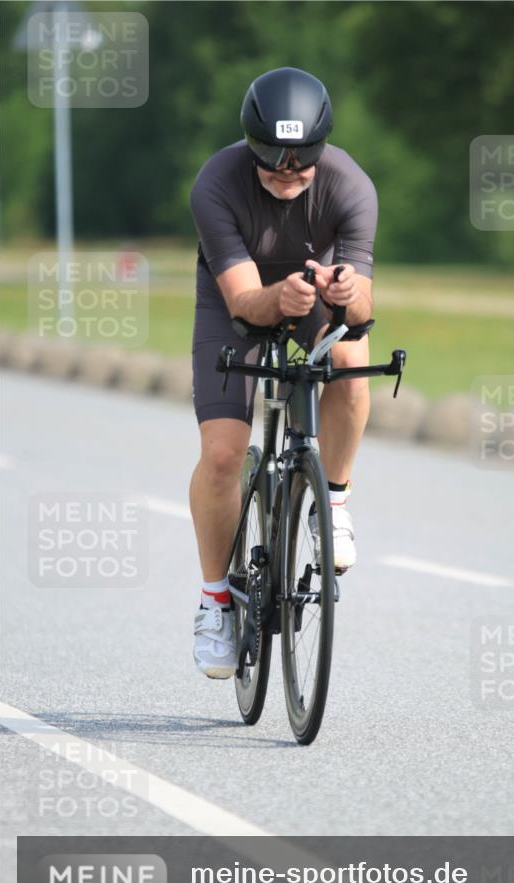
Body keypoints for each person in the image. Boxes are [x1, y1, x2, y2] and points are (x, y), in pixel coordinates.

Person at [189, 66, 377, 679]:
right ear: (250, 147)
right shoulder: (216, 182)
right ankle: (216, 599)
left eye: (300, 165)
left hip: (309, 292)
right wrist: (283, 300)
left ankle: (335, 500)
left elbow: (366, 309)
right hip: (233, 303)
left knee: (351, 360)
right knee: (222, 453)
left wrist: (346, 293)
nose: (287, 175)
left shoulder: (351, 185)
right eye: (273, 164)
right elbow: (245, 302)